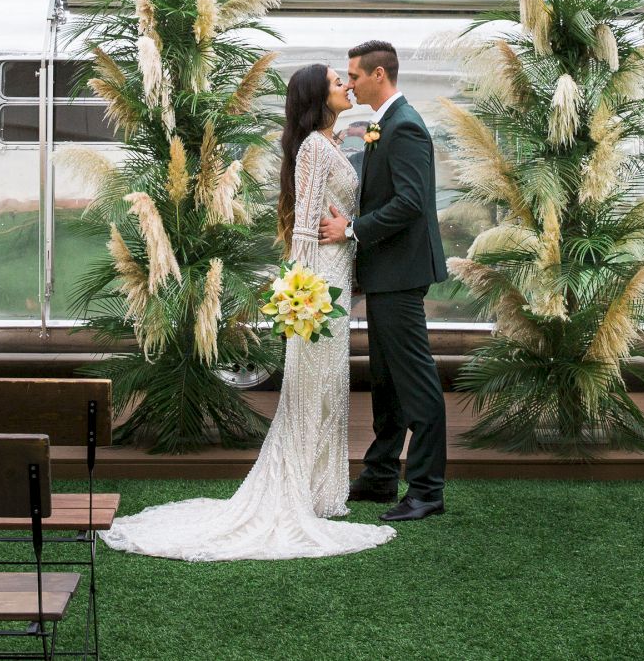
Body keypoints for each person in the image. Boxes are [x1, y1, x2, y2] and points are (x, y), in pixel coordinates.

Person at [98, 63, 395, 561]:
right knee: (311, 383)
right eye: (337, 82)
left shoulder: (329, 141)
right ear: (318, 98)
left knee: (327, 384)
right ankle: (301, 489)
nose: (347, 85)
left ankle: (321, 490)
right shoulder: (312, 149)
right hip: (320, 277)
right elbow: (303, 226)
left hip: (337, 271)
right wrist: (300, 292)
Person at [321, 38, 448, 522]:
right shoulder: (385, 124)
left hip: (402, 274)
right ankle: (378, 475)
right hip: (385, 273)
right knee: (386, 381)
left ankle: (427, 490)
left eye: (354, 76)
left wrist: (350, 230)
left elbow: (411, 203)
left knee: (415, 383)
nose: (349, 83)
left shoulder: (406, 127)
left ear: (378, 75)